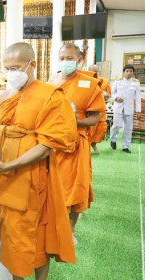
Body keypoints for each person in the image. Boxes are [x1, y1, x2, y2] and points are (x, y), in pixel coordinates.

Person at [0, 42, 77, 280]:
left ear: (32, 65)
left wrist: (10, 165)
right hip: (4, 177)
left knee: (37, 235)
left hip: (32, 177)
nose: (11, 73)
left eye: (16, 67)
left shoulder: (50, 96)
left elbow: (48, 145)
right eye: (7, 68)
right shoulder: (2, 98)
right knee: (11, 237)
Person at [47, 43, 105, 245]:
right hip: (53, 143)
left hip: (76, 145)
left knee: (75, 191)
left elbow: (94, 119)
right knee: (51, 189)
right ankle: (52, 228)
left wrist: (72, 120)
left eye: (70, 59)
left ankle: (69, 232)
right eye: (62, 58)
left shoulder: (89, 84)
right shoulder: (52, 81)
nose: (65, 62)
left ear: (80, 60)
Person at [110, 65, 141, 153]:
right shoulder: (117, 81)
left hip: (129, 108)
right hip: (118, 107)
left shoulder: (136, 83)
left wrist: (138, 111)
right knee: (116, 125)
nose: (129, 73)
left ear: (133, 73)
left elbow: (138, 98)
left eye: (131, 71)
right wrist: (116, 98)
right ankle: (113, 139)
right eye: (127, 71)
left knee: (128, 128)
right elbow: (111, 93)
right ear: (124, 72)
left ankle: (125, 146)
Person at [88, 64, 111, 153]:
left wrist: (102, 93)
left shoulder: (103, 81)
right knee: (89, 128)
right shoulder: (84, 80)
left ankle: (94, 144)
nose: (95, 73)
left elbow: (108, 94)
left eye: (96, 71)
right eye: (93, 71)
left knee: (100, 128)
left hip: (100, 108)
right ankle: (86, 146)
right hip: (88, 108)